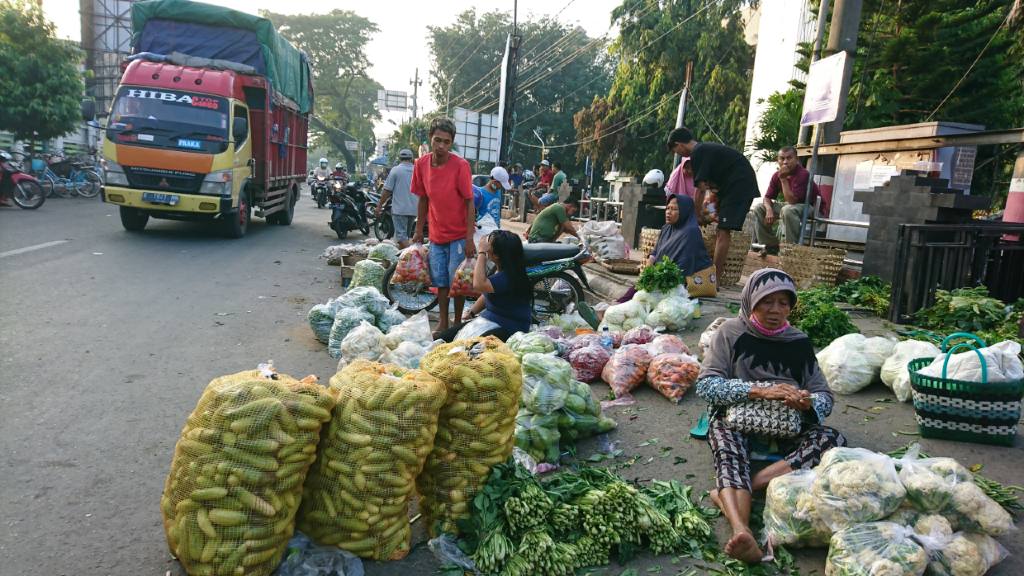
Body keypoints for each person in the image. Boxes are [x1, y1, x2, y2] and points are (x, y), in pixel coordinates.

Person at [695, 268, 846, 563]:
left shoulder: (799, 341)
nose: (776, 311)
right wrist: (762, 391)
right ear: (751, 299)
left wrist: (807, 403)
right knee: (727, 443)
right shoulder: (730, 333)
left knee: (832, 439)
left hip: (787, 424)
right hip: (737, 419)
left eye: (784, 303)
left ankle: (742, 487)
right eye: (767, 301)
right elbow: (707, 385)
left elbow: (825, 396)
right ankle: (743, 532)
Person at [411, 117, 476, 336]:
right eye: (437, 140)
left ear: (452, 143)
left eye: (446, 142)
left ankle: (456, 321)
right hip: (436, 235)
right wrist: (419, 230)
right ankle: (443, 322)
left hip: (458, 236)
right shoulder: (421, 165)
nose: (441, 146)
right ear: (430, 139)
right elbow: (423, 199)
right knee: (440, 282)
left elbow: (469, 202)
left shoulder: (461, 166)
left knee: (457, 283)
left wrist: (469, 238)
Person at [667, 127, 760, 280]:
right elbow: (708, 191)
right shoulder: (704, 151)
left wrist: (696, 216)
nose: (679, 154)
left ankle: (714, 278)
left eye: (676, 151)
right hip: (728, 189)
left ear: (679, 145)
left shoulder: (698, 152)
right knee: (713, 219)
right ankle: (709, 272)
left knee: (723, 232)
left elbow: (700, 190)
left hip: (739, 187)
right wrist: (705, 215)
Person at [617, 194, 713, 302]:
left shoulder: (691, 232)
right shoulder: (666, 228)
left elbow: (685, 266)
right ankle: (615, 305)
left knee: (644, 294)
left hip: (682, 280)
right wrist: (650, 263)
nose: (668, 212)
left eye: (674, 209)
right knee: (637, 288)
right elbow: (656, 251)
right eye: (667, 208)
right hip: (663, 275)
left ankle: (615, 306)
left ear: (685, 211)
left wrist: (660, 279)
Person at [441, 230, 533, 342]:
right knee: (444, 337)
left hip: (508, 328)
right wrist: (471, 313)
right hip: (491, 321)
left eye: (489, 246)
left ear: (497, 255)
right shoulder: (505, 270)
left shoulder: (507, 277)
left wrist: (481, 253)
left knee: (464, 346)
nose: (486, 247)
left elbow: (479, 285)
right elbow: (487, 294)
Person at [751, 146, 821, 253]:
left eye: (789, 158)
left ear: (796, 159)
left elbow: (793, 201)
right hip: (790, 205)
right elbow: (767, 197)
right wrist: (769, 209)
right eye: (782, 158)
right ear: (777, 160)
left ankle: (789, 249)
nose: (785, 162)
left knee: (788, 210)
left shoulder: (803, 174)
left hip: (808, 206)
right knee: (759, 208)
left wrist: (783, 179)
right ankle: (770, 245)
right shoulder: (776, 175)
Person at [378, 149, 416, 248]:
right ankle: (404, 261)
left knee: (401, 238)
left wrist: (379, 206)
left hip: (400, 210)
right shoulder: (416, 170)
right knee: (405, 237)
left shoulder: (396, 170)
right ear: (411, 158)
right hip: (414, 210)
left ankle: (413, 256)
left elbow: (387, 190)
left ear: (400, 158)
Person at [474, 165, 509, 234]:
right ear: (494, 181)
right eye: (501, 184)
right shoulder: (480, 194)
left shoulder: (498, 192)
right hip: (483, 231)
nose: (501, 187)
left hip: (496, 229)